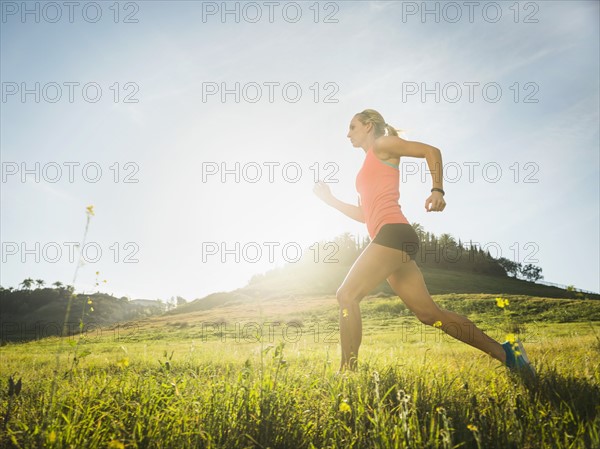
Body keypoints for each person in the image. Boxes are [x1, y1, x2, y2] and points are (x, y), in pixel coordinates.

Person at [313, 108, 534, 376]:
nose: (347, 134)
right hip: (392, 239)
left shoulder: (383, 145)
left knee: (346, 295)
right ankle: (508, 354)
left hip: (394, 234)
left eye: (352, 127)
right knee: (429, 314)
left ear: (368, 126)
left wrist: (437, 190)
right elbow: (364, 215)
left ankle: (348, 373)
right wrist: (330, 200)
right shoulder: (365, 169)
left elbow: (431, 151)